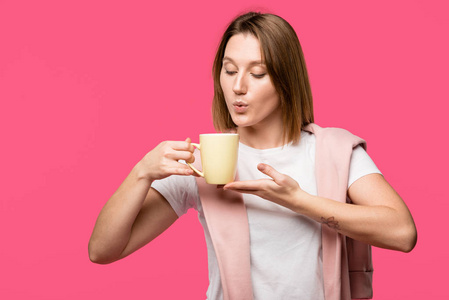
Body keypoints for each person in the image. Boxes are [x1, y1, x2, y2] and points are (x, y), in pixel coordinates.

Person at [88, 12, 417, 299]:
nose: (238, 87)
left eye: (257, 74)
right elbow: (102, 251)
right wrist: (141, 173)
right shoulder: (203, 163)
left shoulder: (333, 151)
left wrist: (296, 200)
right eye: (229, 71)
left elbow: (402, 234)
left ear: (286, 80)